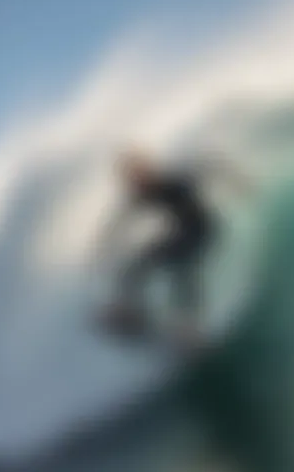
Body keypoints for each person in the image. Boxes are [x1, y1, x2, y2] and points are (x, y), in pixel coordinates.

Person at [98, 149, 244, 348]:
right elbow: (123, 218)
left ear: (148, 170)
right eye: (132, 178)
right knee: (139, 263)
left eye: (139, 174)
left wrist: (237, 180)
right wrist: (106, 241)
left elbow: (206, 167)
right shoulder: (142, 194)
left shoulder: (172, 181)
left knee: (182, 270)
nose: (136, 181)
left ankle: (192, 326)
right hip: (180, 231)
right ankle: (129, 311)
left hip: (203, 229)